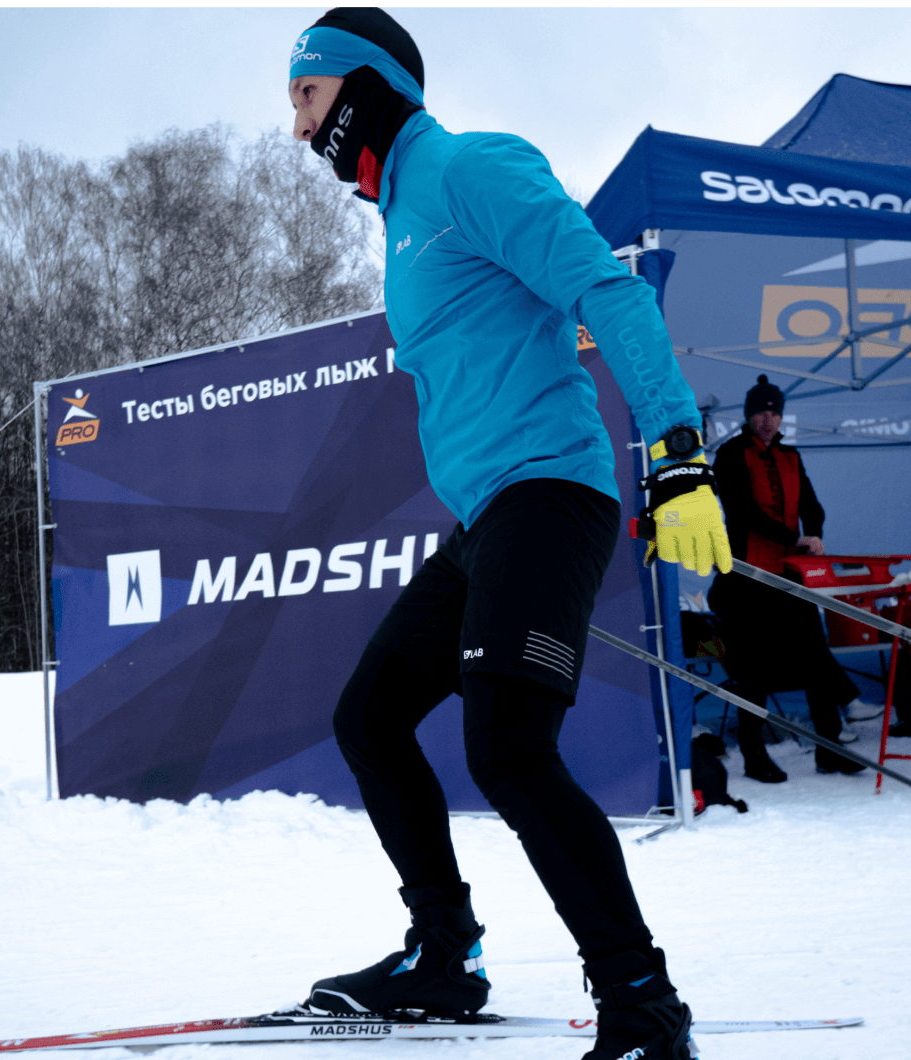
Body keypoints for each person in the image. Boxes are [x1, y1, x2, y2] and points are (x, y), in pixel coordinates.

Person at [285, 11, 726, 1059]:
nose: (297, 130)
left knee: (509, 751)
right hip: (488, 517)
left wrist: (678, 449)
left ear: (361, 87)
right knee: (371, 717)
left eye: (304, 98)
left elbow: (603, 287)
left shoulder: (469, 172)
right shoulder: (398, 220)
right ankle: (445, 955)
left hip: (552, 492)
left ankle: (641, 1006)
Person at [706, 375, 867, 780]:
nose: (767, 418)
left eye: (774, 411)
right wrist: (793, 536)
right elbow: (740, 511)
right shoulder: (730, 454)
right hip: (746, 577)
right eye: (761, 411)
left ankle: (829, 748)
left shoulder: (791, 456)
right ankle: (753, 753)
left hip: (790, 574)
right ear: (748, 414)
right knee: (752, 669)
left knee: (815, 658)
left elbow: (812, 504)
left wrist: (813, 535)